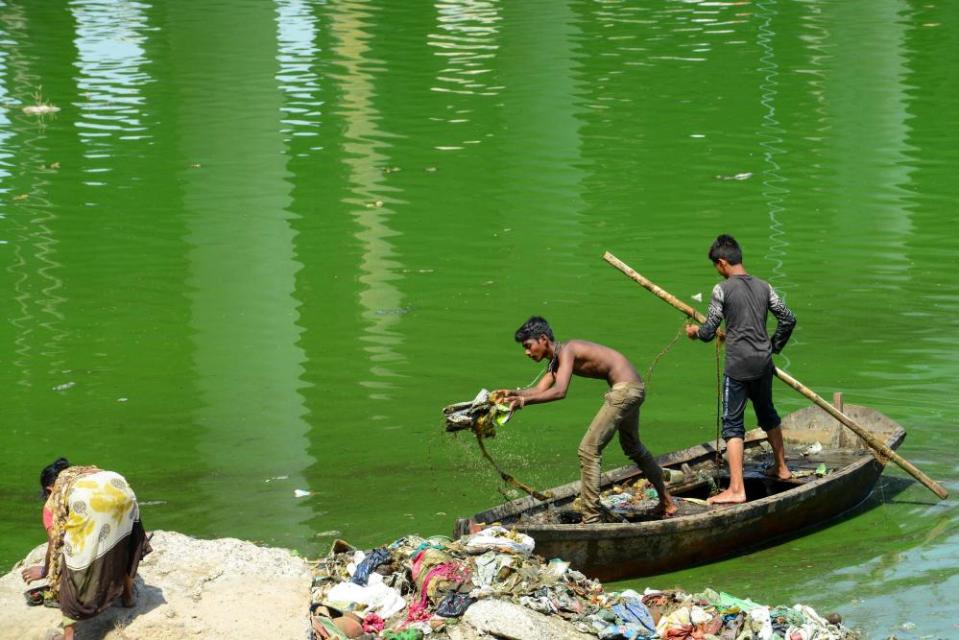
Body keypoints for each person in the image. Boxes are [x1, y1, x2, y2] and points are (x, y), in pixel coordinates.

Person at [496, 316, 676, 523]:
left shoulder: (567, 350)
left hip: (624, 391)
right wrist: (510, 395)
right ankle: (667, 502)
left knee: (588, 450)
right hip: (633, 388)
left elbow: (560, 391)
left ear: (543, 339)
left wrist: (523, 403)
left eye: (528, 346)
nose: (526, 352)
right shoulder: (556, 362)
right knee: (633, 447)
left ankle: (591, 519)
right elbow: (538, 390)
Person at [685, 234, 797, 504]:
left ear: (722, 263)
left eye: (716, 265)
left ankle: (736, 489)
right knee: (767, 413)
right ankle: (782, 468)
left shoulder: (721, 290)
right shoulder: (765, 286)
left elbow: (710, 330)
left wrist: (695, 333)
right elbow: (788, 319)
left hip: (738, 366)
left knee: (732, 425)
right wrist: (772, 348)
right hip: (763, 362)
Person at [21, 458, 147, 640]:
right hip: (123, 491)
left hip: (89, 504)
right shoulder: (87, 473)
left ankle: (68, 635)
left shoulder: (54, 498)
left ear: (49, 489)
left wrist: (45, 570)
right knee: (124, 543)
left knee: (71, 570)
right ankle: (128, 596)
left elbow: (55, 543)